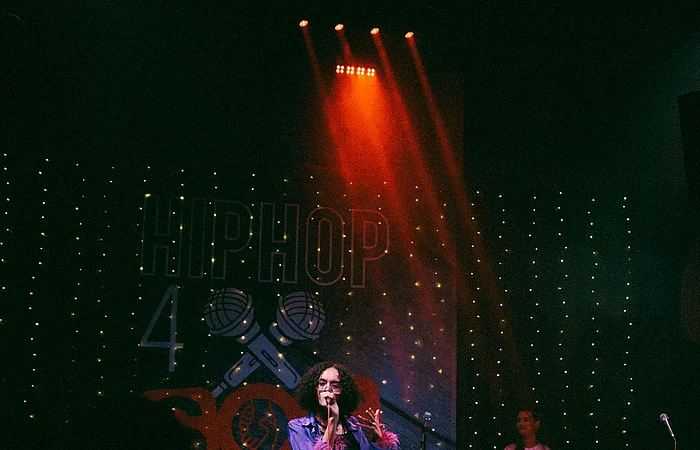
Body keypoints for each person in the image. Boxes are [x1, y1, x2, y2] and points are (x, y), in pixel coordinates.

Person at [287, 361, 400, 450]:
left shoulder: (352, 424)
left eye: (335, 385)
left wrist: (377, 440)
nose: (327, 388)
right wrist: (333, 419)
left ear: (343, 392)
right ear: (314, 389)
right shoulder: (298, 427)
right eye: (322, 383)